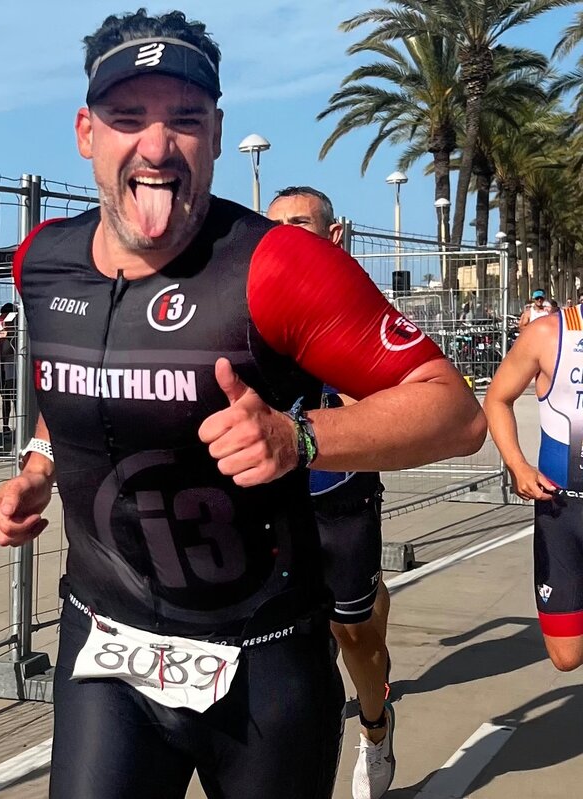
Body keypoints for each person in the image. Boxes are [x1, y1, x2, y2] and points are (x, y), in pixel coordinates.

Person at [0, 10, 486, 798]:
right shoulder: (41, 262)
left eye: (184, 119)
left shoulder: (280, 265)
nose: (156, 146)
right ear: (87, 133)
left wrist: (299, 437)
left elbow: (456, 411)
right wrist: (40, 466)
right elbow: (68, 379)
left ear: (216, 135)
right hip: (106, 650)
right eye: (127, 117)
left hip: (264, 661)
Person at [268, 185, 394, 799]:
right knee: (283, 640)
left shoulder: (359, 302)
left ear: (333, 234)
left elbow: (406, 401)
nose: (285, 236)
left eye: (299, 223)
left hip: (340, 496)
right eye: (275, 226)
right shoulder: (252, 300)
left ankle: (376, 727)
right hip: (273, 501)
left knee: (356, 636)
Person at [485, 304, 583, 672]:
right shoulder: (549, 332)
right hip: (562, 512)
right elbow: (497, 398)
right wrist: (517, 465)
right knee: (566, 657)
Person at [0, 302, 17, 437]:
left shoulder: (18, 333)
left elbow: (11, 350)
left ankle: (20, 424)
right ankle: (5, 425)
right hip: (1, 370)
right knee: (5, 398)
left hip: (14, 369)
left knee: (16, 398)